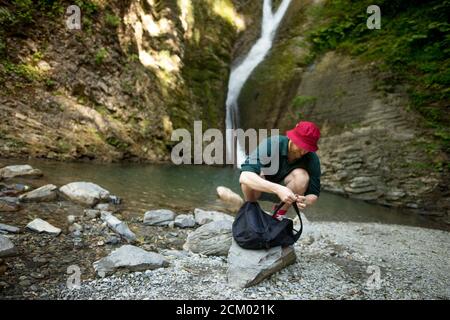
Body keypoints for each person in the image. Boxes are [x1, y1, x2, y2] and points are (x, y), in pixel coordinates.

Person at [239, 121, 321, 220]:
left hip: (286, 196)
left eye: (308, 148)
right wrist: (278, 189)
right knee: (253, 174)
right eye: (301, 146)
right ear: (292, 138)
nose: (304, 152)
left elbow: (313, 194)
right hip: (259, 189)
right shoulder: (272, 143)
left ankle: (278, 213)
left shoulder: (312, 158)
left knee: (302, 176)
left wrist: (305, 200)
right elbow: (244, 176)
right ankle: (250, 209)